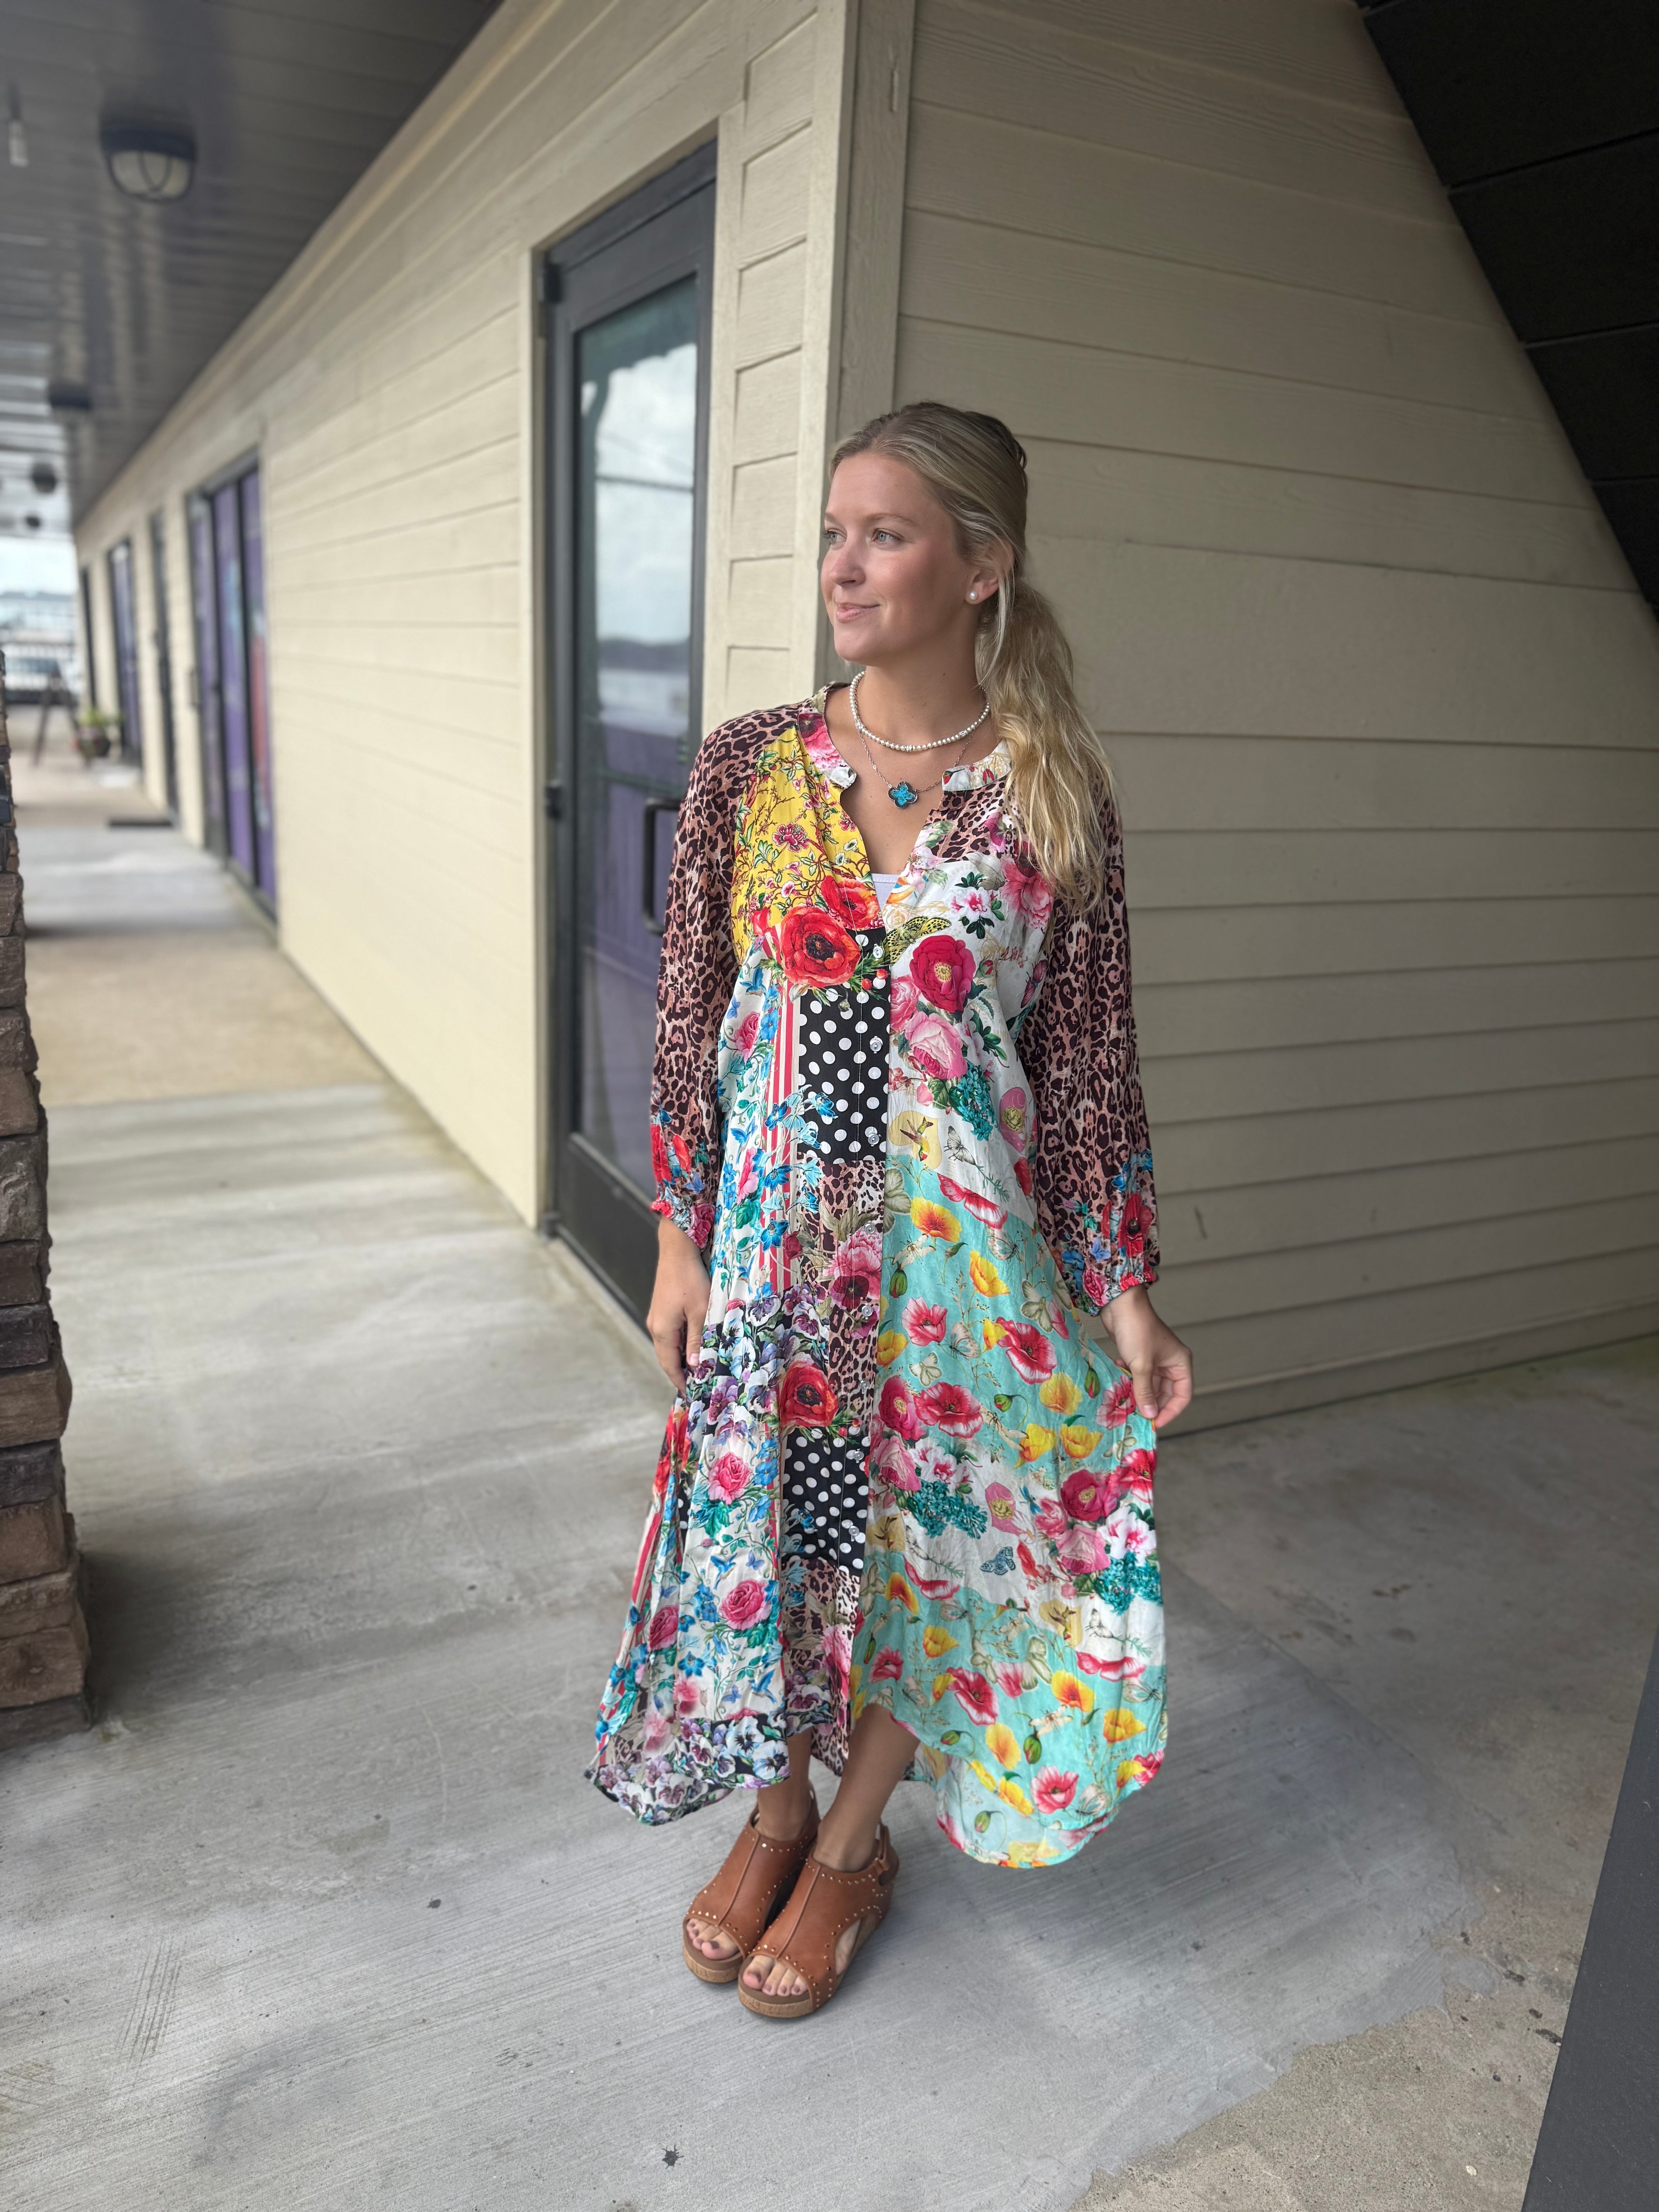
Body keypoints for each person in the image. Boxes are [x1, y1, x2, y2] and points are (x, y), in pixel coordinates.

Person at [589, 400, 1193, 2018]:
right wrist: (677, 1238)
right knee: (770, 1532)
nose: (842, 568)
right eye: (834, 535)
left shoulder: (1054, 791)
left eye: (885, 535)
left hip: (957, 1266)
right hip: (779, 1248)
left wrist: (1124, 1289)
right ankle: (776, 1813)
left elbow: (1086, 1067)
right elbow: (690, 1021)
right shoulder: (749, 767)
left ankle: (853, 1846)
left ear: (981, 567)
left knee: (936, 1542)